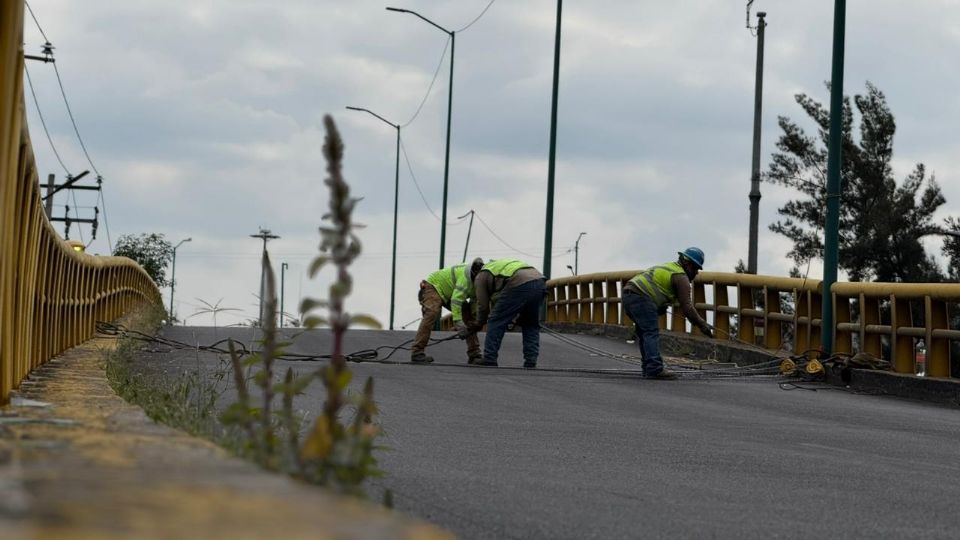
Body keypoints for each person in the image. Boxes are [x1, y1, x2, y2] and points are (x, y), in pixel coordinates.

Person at [621, 247, 714, 380]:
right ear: (688, 264)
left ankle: (649, 367)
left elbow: (655, 286)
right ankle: (654, 368)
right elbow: (687, 307)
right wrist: (702, 325)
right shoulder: (681, 277)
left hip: (628, 295)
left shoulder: (670, 267)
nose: (696, 273)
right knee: (651, 332)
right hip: (641, 297)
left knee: (644, 333)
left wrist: (658, 306)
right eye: (696, 269)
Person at [470, 258, 546, 368]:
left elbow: (483, 306)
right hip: (539, 281)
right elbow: (506, 302)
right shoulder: (497, 267)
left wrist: (479, 323)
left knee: (495, 320)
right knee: (530, 324)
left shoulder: (480, 276)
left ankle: (489, 357)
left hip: (519, 281)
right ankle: (531, 361)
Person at [411, 258, 486, 364]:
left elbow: (474, 302)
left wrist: (474, 321)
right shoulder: (465, 279)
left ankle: (474, 354)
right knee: (432, 313)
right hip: (434, 286)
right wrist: (459, 324)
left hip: (450, 292)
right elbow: (456, 301)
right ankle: (417, 352)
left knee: (468, 316)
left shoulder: (480, 282)